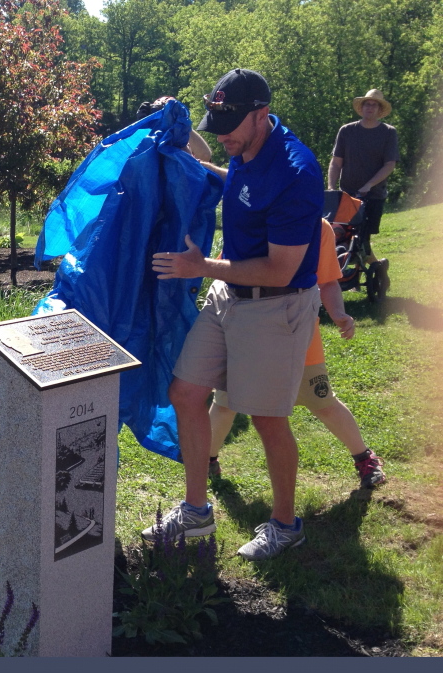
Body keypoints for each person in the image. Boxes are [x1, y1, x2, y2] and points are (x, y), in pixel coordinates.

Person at [150, 68, 324, 561]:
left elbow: (281, 267)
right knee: (185, 392)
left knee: (268, 419)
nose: (221, 134)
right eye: (216, 122)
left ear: (261, 115)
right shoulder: (247, 148)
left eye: (229, 124)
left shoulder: (296, 171)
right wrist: (193, 157)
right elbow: (238, 183)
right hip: (229, 297)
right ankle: (195, 511)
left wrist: (199, 266)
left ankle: (287, 525)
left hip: (276, 305)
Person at [208, 219, 386, 490]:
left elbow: (327, 281)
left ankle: (364, 458)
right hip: (246, 332)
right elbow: (225, 272)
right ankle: (206, 459)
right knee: (225, 403)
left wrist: (338, 313)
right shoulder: (247, 217)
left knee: (322, 401)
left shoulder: (316, 224)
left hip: (297, 333)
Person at [327, 89, 399, 259]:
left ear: (379, 110)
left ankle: (377, 273)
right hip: (347, 195)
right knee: (340, 237)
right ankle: (351, 276)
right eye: (367, 104)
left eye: (374, 105)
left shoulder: (388, 132)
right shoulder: (347, 131)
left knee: (362, 241)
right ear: (362, 107)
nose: (370, 107)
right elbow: (336, 163)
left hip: (373, 195)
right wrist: (331, 187)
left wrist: (369, 185)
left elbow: (389, 165)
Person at [135, 96, 213, 162]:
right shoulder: (148, 144)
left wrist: (180, 123)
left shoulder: (185, 145)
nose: (162, 103)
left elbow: (204, 156)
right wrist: (144, 124)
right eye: (158, 102)